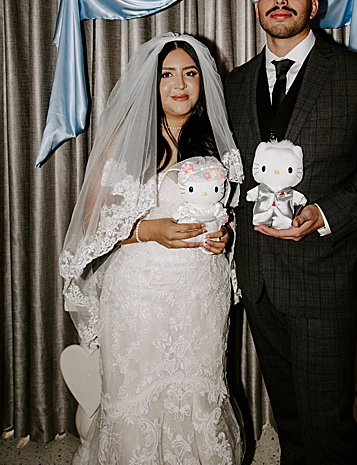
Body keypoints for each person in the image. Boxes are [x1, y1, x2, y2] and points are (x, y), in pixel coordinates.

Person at [223, 0, 357, 465]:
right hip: (258, 278)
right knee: (288, 420)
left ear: (313, 5)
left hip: (326, 278)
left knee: (328, 422)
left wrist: (328, 214)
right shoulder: (234, 84)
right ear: (257, 3)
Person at [60, 35, 241, 465]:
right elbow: (91, 224)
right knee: (137, 389)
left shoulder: (218, 136)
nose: (180, 84)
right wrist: (147, 229)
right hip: (140, 292)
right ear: (151, 81)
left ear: (203, 81)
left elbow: (227, 211)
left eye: (190, 73)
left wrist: (225, 236)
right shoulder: (126, 138)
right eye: (167, 74)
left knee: (199, 387)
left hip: (202, 291)